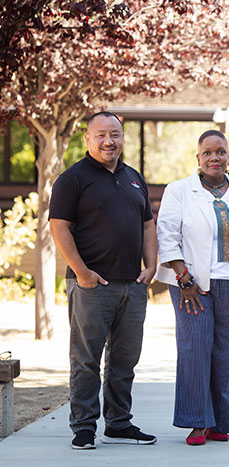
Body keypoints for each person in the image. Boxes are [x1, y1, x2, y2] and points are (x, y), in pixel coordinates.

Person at [154, 129, 229, 445]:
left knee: (225, 352)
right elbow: (167, 234)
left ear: (228, 156)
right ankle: (197, 422)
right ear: (198, 158)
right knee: (195, 349)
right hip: (190, 284)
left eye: (220, 152)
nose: (214, 157)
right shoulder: (179, 190)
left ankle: (219, 421)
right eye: (207, 152)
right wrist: (183, 277)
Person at [49, 111, 157, 449]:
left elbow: (147, 225)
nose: (109, 141)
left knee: (125, 360)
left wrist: (151, 266)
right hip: (91, 285)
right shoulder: (72, 179)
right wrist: (82, 273)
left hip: (133, 284)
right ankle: (83, 427)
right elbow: (58, 227)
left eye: (115, 134)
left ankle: (119, 423)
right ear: (88, 139)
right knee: (86, 359)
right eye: (101, 135)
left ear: (123, 138)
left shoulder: (134, 177)